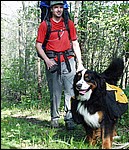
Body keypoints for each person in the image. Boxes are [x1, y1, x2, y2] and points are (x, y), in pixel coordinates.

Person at [35, 1, 84, 130]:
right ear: (51, 9)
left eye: (61, 7)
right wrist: (46, 60)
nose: (58, 10)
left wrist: (79, 62)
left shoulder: (69, 24)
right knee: (55, 92)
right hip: (52, 62)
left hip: (68, 61)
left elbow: (75, 43)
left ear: (64, 8)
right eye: (56, 7)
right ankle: (54, 119)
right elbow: (38, 45)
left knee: (71, 91)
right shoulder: (45, 25)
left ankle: (69, 118)